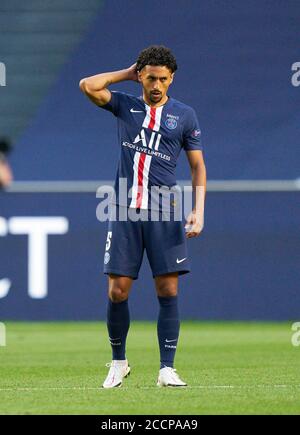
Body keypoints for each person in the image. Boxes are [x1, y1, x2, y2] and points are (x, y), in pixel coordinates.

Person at [80, 45, 206, 388]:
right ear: (141, 76)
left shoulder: (185, 115)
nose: (156, 85)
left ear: (171, 79)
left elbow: (197, 166)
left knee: (167, 289)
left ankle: (167, 369)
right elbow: (88, 85)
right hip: (123, 208)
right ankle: (119, 362)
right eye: (150, 77)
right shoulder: (125, 105)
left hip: (165, 210)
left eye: (163, 79)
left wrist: (198, 210)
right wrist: (126, 71)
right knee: (118, 291)